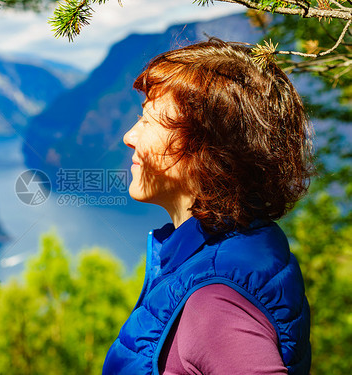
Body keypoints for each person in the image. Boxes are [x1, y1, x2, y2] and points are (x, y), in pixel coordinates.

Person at [102, 39, 312, 375]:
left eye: (149, 120)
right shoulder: (240, 245)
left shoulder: (217, 300)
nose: (129, 136)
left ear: (208, 150)